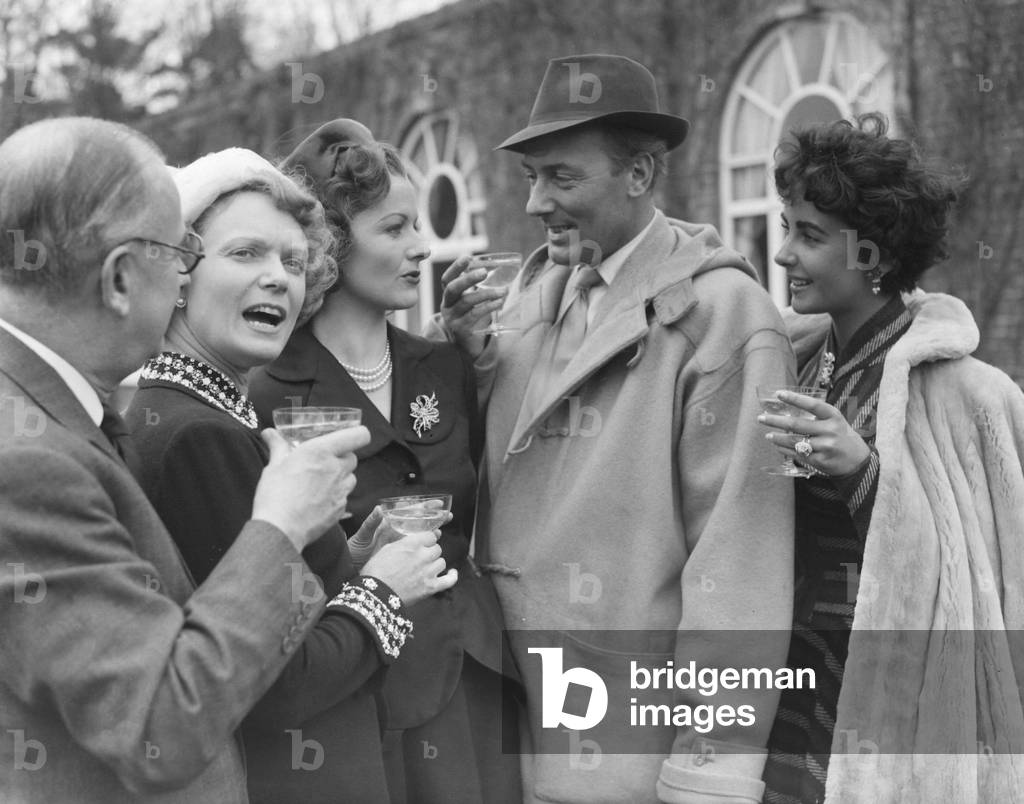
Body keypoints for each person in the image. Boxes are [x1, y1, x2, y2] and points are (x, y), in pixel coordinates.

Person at [433, 54, 796, 803]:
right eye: (532, 177)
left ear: (640, 174)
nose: (537, 202)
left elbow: (739, 563)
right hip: (515, 727)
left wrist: (710, 770)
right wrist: (468, 368)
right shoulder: (530, 299)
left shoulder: (721, 316)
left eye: (562, 177)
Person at [0, 117, 375, 802]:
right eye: (180, 256)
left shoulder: (61, 413)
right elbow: (158, 727)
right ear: (119, 279)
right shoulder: (27, 462)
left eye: (293, 262)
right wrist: (282, 529)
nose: (184, 279)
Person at [124, 147, 457, 804]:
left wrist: (351, 556)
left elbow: (270, 606)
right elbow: (275, 685)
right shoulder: (201, 438)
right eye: (247, 253)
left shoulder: (189, 412)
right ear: (180, 273)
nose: (279, 278)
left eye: (295, 261)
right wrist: (382, 593)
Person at [248, 119, 521, 804]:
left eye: (418, 227)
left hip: (477, 682)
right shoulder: (266, 391)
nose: (420, 248)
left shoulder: (445, 362)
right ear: (333, 246)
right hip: (360, 701)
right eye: (394, 229)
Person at [758, 114, 1024, 803]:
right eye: (786, 226)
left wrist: (867, 478)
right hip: (782, 692)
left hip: (891, 708)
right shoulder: (790, 362)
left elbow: (992, 583)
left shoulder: (975, 396)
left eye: (809, 236)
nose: (784, 254)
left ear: (872, 257)